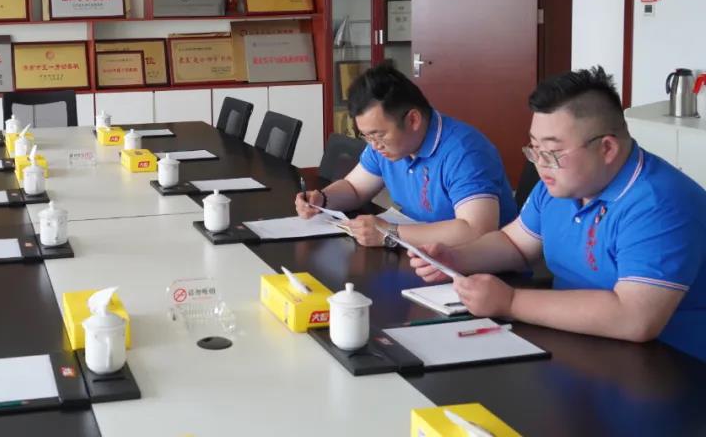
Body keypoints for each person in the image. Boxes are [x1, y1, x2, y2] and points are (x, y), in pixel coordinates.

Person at [411, 67, 706, 362]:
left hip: (668, 365)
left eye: (552, 152)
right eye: (534, 148)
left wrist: (511, 301)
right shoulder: (563, 185)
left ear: (607, 148)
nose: (540, 164)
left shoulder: (660, 204)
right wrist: (456, 258)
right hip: (576, 343)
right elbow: (515, 244)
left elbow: (634, 318)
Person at [296, 62, 516, 247]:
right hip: (423, 254)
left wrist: (390, 233)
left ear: (413, 120)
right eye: (367, 136)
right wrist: (323, 199)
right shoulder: (385, 147)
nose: (374, 145)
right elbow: (354, 188)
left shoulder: (465, 152)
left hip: (480, 271)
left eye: (378, 135)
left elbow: (477, 230)